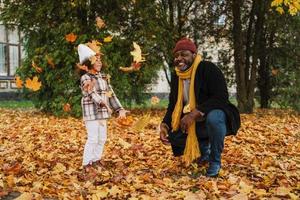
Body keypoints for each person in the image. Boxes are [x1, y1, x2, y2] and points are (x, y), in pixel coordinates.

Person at [159, 38, 240, 177]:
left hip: (214, 115)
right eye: (177, 55)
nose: (179, 58)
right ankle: (204, 151)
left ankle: (215, 160)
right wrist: (165, 124)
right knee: (174, 134)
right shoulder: (177, 76)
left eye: (184, 54)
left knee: (214, 118)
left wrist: (194, 114)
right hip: (194, 120)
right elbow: (173, 104)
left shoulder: (207, 69)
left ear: (194, 55)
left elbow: (221, 97)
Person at [77, 44, 127, 176]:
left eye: (100, 60)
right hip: (92, 112)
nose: (99, 62)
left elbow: (111, 93)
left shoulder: (103, 77)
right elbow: (92, 93)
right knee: (93, 138)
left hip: (103, 113)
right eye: (96, 60)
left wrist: (119, 109)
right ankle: (86, 164)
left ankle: (96, 160)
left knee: (102, 138)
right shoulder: (85, 78)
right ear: (89, 62)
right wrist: (104, 104)